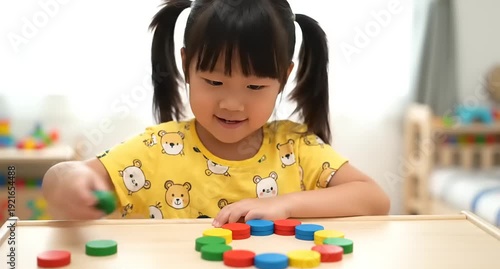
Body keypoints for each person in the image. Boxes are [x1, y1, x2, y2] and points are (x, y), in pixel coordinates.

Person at [41, 0, 390, 227]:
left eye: (254, 87)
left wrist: (284, 204)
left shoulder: (295, 148)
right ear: (185, 65)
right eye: (213, 81)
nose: (232, 104)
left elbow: (375, 198)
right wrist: (69, 185)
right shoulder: (157, 148)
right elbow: (63, 178)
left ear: (283, 77)